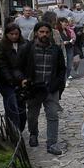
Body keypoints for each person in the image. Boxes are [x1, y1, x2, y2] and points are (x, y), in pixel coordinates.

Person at [23, 22, 67, 155]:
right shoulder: (28, 48)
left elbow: (61, 70)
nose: (44, 35)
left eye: (47, 32)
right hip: (34, 89)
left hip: (50, 89)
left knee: (53, 116)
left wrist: (57, 86)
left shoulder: (56, 50)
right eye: (41, 32)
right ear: (36, 33)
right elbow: (21, 66)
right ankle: (33, 134)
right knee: (32, 115)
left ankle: (52, 143)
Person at [0, 22, 28, 134]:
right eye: (11, 34)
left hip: (22, 80)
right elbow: (2, 67)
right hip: (6, 82)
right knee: (11, 105)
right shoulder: (0, 47)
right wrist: (12, 81)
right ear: (6, 34)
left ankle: (19, 129)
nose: (14, 36)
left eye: (16, 34)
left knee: (21, 108)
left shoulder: (25, 44)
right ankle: (14, 133)